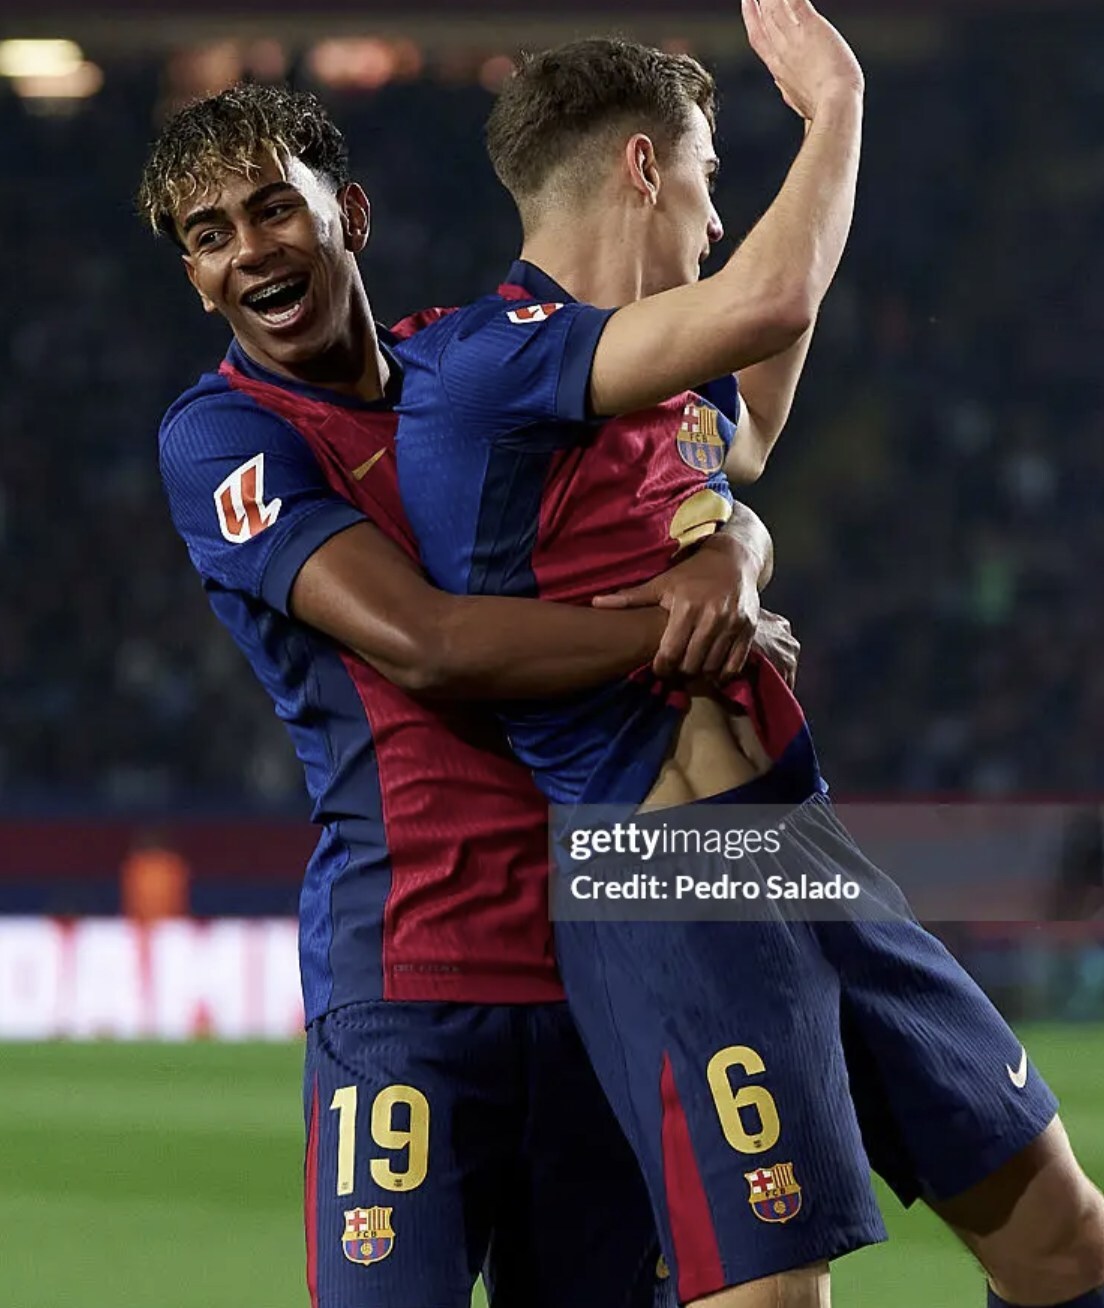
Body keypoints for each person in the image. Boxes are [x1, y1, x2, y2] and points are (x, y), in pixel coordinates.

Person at [392, 6, 1104, 1308]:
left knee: (1066, 1244)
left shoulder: (643, 372)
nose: (719, 220)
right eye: (709, 177)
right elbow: (770, 294)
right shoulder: (483, 364)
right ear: (642, 167)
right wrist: (838, 107)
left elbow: (753, 428)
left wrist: (738, 545)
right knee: (772, 1296)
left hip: (796, 840)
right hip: (661, 869)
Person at [137, 81, 798, 1308]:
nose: (250, 250)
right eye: (210, 235)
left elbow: (714, 459)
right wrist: (680, 625)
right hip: (412, 975)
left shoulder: (479, 362)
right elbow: (427, 645)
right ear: (194, 279)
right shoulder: (223, 436)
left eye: (275, 208)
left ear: (351, 214)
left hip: (600, 959)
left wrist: (733, 559)